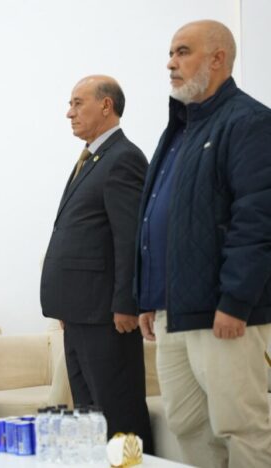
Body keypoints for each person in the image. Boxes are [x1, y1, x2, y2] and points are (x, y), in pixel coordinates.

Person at [136, 20, 271, 468]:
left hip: (223, 311)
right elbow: (155, 218)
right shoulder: (179, 128)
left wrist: (236, 301)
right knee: (187, 424)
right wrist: (147, 296)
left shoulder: (249, 121)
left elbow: (257, 219)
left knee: (241, 425)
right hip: (173, 309)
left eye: (183, 52)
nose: (170, 63)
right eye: (170, 53)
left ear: (217, 59)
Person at [40, 76, 154, 452]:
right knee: (90, 416)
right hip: (80, 311)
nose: (69, 112)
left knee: (118, 412)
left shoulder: (124, 158)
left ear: (106, 106)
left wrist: (126, 303)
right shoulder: (93, 157)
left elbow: (129, 238)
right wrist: (66, 306)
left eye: (77, 103)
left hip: (107, 314)